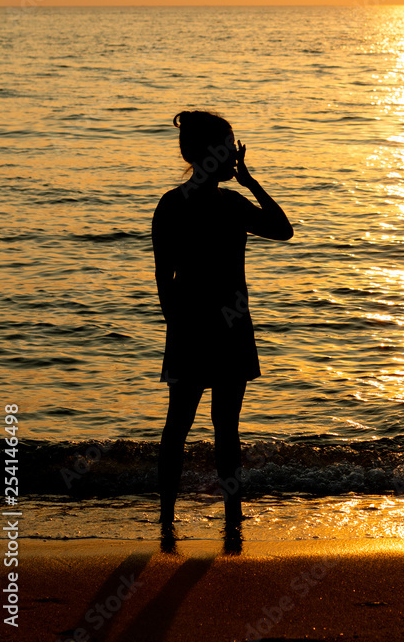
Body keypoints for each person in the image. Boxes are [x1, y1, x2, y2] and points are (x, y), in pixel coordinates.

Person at [152, 109, 293, 529]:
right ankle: (232, 518)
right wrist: (251, 183)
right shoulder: (230, 204)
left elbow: (164, 276)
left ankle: (167, 518)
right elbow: (283, 229)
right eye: (230, 146)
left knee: (178, 423)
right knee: (224, 428)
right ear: (211, 153)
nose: (236, 153)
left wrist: (174, 322)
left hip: (191, 326)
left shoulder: (172, 204)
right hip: (229, 327)